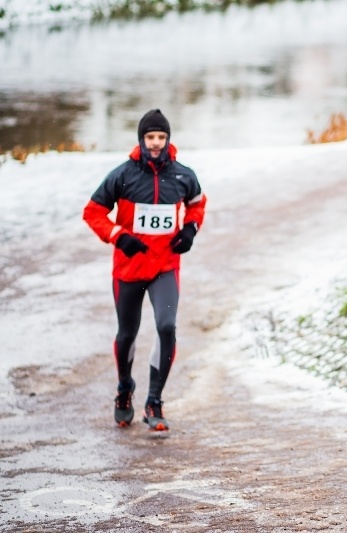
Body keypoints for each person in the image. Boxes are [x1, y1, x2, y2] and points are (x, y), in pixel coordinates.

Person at [83, 109, 207, 432]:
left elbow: (197, 203)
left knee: (167, 327)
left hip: (165, 266)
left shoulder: (183, 175)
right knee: (127, 334)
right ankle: (125, 389)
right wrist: (118, 236)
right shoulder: (122, 176)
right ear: (141, 139)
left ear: (168, 140)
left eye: (161, 137)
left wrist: (191, 230)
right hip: (128, 269)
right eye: (150, 137)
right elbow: (93, 211)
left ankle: (154, 400)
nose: (155, 143)